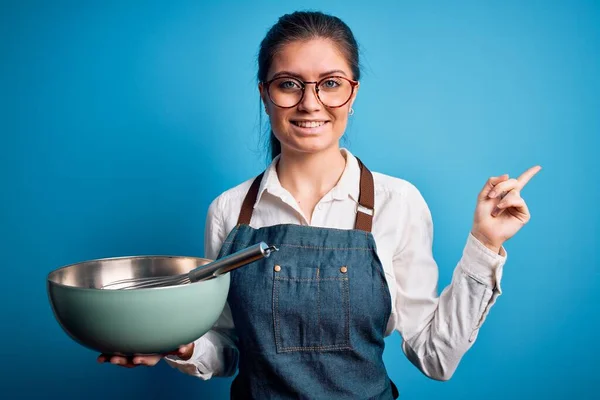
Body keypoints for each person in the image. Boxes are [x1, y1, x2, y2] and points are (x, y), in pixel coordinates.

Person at [98, 10, 541, 399]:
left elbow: (435, 358)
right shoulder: (229, 211)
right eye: (289, 84)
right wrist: (182, 345)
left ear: (353, 93)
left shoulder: (398, 203)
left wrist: (484, 244)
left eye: (330, 84)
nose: (311, 103)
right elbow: (228, 348)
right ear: (264, 94)